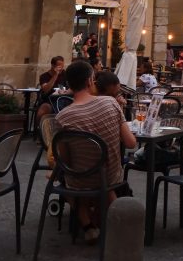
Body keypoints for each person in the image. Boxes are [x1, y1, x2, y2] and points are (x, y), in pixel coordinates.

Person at [56, 60, 136, 243]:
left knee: (65, 179)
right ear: (90, 81)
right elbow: (131, 143)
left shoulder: (62, 117)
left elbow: (65, 159)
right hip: (110, 175)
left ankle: (88, 226)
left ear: (69, 84)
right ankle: (119, 224)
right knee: (102, 175)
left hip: (80, 177)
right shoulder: (111, 103)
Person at [36, 55, 68, 122]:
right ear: (53, 66)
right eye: (59, 66)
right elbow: (45, 89)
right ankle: (39, 129)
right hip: (49, 100)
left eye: (62, 66)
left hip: (62, 99)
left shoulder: (64, 74)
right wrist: (55, 75)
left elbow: (69, 86)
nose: (61, 68)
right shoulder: (44, 76)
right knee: (43, 110)